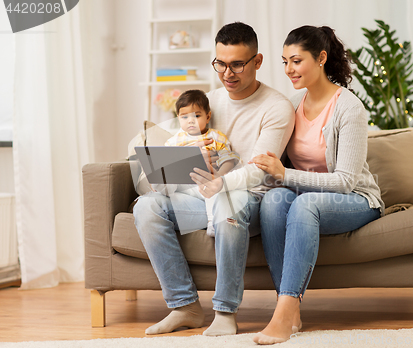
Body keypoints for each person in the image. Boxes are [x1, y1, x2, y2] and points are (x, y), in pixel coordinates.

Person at [133, 22, 295, 336]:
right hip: (203, 195)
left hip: (249, 198)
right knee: (146, 206)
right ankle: (184, 306)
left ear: (257, 61)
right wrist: (166, 170)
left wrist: (221, 182)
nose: (227, 73)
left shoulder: (277, 107)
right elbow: (175, 143)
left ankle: (225, 311)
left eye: (237, 64)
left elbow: (260, 169)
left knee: (226, 200)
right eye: (220, 64)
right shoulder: (208, 101)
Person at [249, 25, 385, 345]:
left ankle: (284, 312)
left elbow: (345, 181)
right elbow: (277, 163)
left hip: (355, 198)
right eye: (284, 62)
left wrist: (285, 175)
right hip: (305, 195)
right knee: (273, 202)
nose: (288, 70)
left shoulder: (349, 108)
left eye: (296, 61)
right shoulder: (292, 104)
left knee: (303, 202)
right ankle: (290, 308)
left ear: (321, 58)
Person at [152, 89, 240, 237]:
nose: (190, 121)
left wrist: (219, 175)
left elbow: (229, 158)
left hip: (205, 181)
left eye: (196, 115)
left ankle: (213, 222)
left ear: (208, 116)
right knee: (163, 177)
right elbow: (166, 163)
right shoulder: (174, 141)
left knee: (214, 191)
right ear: (178, 118)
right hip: (183, 184)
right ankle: (158, 187)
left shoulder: (216, 137)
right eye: (184, 117)